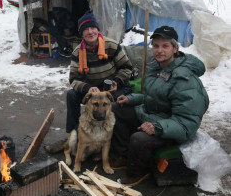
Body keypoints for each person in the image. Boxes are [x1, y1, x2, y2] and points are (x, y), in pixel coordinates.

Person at [110, 26, 209, 183]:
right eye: (156, 45)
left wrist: (157, 127)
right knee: (116, 108)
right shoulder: (156, 67)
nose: (159, 50)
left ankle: (136, 172)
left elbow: (187, 123)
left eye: (165, 46)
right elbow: (151, 96)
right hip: (153, 115)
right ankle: (124, 156)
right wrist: (131, 99)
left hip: (173, 128)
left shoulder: (184, 78)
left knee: (138, 139)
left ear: (175, 48)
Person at [66, 11, 133, 133]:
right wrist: (87, 88)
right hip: (94, 90)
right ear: (82, 33)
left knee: (113, 105)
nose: (90, 32)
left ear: (97, 29)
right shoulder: (77, 52)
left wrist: (116, 81)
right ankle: (73, 132)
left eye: (92, 27)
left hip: (114, 87)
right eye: (86, 29)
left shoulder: (111, 45)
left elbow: (127, 67)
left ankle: (113, 137)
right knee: (71, 95)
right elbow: (74, 79)